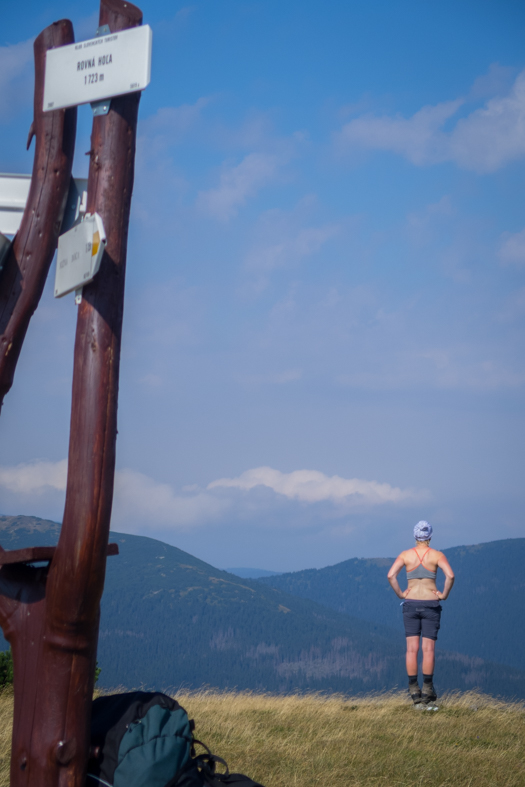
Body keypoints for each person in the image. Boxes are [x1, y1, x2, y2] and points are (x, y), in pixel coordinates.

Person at [387, 521, 454, 707]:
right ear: (430, 536)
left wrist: (401, 593)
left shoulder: (406, 555)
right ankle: (427, 689)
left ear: (415, 536)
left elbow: (391, 575)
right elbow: (450, 576)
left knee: (411, 649)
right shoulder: (437, 555)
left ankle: (413, 689)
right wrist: (443, 595)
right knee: (428, 649)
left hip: (410, 605)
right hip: (431, 605)